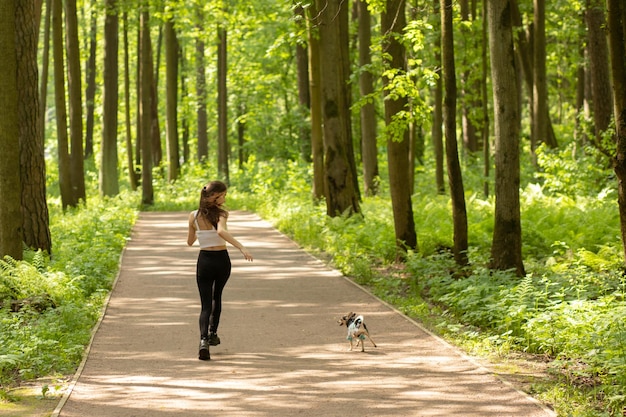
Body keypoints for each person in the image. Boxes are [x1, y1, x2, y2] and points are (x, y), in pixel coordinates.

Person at [187, 181, 253, 360]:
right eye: (223, 195)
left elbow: (190, 242)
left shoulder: (193, 216)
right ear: (215, 197)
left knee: (205, 304)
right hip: (222, 260)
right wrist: (241, 247)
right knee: (217, 297)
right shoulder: (222, 214)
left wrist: (198, 230)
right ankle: (212, 333)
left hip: (204, 261)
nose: (225, 198)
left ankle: (203, 341)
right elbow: (221, 232)